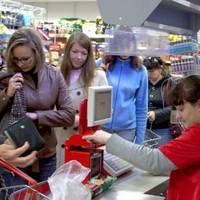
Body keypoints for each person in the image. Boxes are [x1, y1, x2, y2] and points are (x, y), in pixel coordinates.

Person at [83, 74, 200, 200]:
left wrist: (108, 139)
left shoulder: (196, 135)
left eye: (181, 109)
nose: (178, 116)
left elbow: (156, 160)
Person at [0, 27, 75, 185]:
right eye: (16, 59)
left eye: (25, 59)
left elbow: (68, 115)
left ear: (37, 53)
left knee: (45, 194)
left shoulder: (53, 75)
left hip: (46, 152)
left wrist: (37, 117)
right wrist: (8, 93)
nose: (20, 64)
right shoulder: (6, 76)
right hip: (14, 152)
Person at [56, 32, 108, 167]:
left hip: (86, 140)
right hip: (60, 139)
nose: (79, 57)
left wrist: (83, 119)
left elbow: (106, 111)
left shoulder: (98, 76)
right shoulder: (55, 74)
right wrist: (66, 118)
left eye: (84, 53)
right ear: (67, 51)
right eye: (75, 52)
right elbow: (47, 108)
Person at [101, 54, 148, 144]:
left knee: (122, 158)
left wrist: (139, 142)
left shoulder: (140, 70)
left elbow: (141, 107)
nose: (125, 49)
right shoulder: (103, 63)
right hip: (101, 127)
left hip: (127, 131)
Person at [143, 57, 173, 146]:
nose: (149, 73)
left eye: (152, 70)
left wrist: (157, 114)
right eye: (147, 71)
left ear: (160, 69)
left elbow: (176, 107)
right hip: (145, 128)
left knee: (161, 157)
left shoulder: (169, 83)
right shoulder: (143, 84)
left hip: (164, 129)